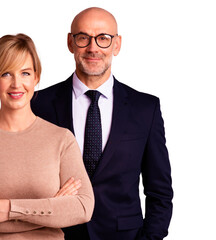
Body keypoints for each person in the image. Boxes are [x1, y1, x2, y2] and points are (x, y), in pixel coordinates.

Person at [31, 7, 173, 240]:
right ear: (70, 42)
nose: (93, 48)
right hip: (57, 234)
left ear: (117, 44)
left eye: (103, 38)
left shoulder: (145, 108)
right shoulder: (39, 104)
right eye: (83, 37)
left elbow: (160, 192)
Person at [0, 33, 94, 240]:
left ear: (36, 77)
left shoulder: (61, 139)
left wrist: (8, 209)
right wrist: (51, 208)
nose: (17, 84)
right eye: (6, 74)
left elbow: (83, 208)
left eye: (25, 73)